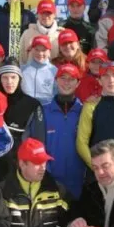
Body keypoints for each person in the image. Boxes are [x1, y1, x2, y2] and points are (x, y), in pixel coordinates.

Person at [25, 63, 86, 199]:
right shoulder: (43, 111)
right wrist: (45, 173)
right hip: (50, 180)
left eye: (71, 79)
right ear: (56, 80)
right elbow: (35, 144)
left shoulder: (84, 111)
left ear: (78, 83)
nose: (66, 83)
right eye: (63, 78)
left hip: (78, 180)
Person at [0, 59, 41, 183]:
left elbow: (39, 140)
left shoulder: (31, 104)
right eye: (5, 78)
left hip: (19, 165)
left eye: (13, 77)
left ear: (20, 79)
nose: (9, 82)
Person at [19, 0, 64, 65]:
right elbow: (21, 59)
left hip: (57, 74)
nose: (45, 16)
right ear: (37, 14)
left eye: (49, 13)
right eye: (43, 13)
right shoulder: (27, 34)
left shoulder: (61, 34)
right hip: (31, 74)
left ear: (55, 15)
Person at [20, 35, 58, 106]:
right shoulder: (23, 70)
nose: (40, 53)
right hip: (27, 110)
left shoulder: (55, 71)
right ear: (31, 50)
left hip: (46, 111)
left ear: (49, 52)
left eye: (44, 50)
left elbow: (57, 95)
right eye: (36, 49)